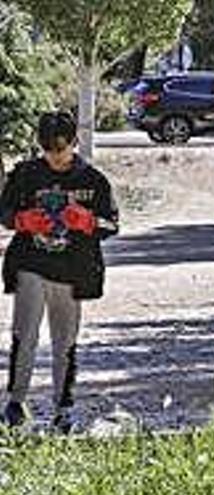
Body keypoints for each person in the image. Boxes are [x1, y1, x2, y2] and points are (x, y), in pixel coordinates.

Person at [0, 111, 119, 433]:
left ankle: (63, 407)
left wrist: (88, 221)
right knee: (24, 334)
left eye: (60, 149)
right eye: (48, 150)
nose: (54, 156)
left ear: (74, 143)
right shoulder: (25, 174)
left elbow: (113, 225)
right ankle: (15, 402)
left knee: (64, 342)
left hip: (72, 269)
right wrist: (21, 220)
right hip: (31, 263)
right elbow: (4, 212)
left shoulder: (93, 180)